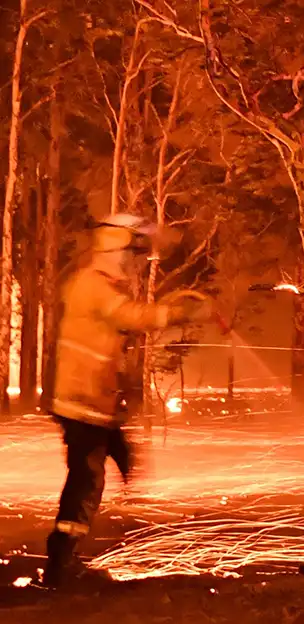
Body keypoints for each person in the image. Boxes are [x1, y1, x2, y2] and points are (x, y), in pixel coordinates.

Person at [43, 213, 216, 587]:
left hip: (93, 399)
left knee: (117, 459)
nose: (133, 261)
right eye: (129, 252)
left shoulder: (97, 282)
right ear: (114, 247)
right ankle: (61, 562)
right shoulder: (92, 285)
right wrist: (178, 313)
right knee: (86, 480)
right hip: (80, 400)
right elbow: (129, 316)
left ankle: (127, 506)